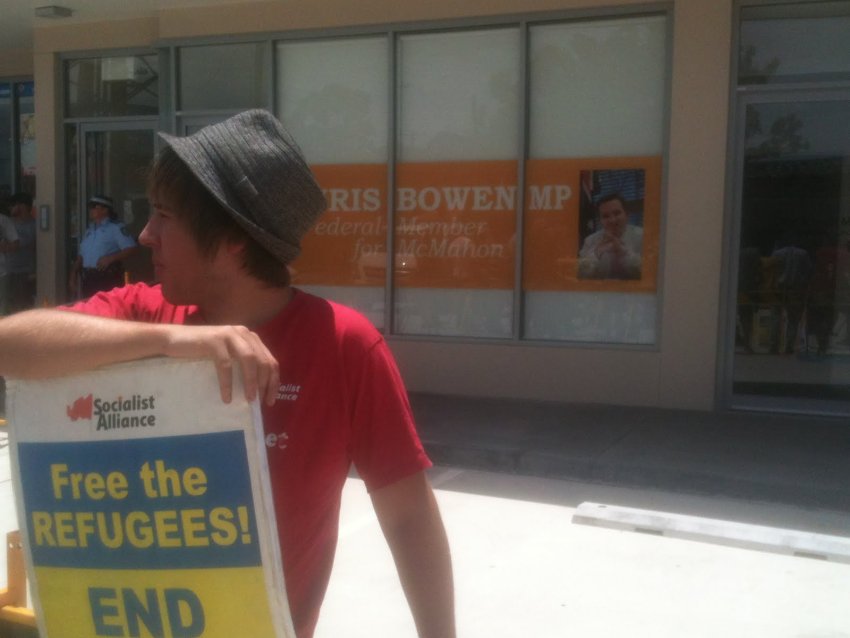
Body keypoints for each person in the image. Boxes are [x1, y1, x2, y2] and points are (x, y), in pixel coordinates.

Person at [0, 110, 455, 638]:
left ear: (235, 238)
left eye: (166, 216)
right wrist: (172, 341)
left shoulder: (343, 346)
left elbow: (408, 518)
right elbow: (10, 346)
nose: (147, 235)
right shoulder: (146, 315)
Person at [69, 194, 139, 298]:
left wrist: (110, 258)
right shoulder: (90, 231)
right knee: (89, 311)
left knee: (106, 311)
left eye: (94, 207)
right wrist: (73, 273)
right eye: (90, 207)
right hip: (88, 278)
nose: (91, 210)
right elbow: (81, 255)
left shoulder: (115, 228)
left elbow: (131, 248)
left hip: (106, 277)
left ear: (105, 210)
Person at [578, 193, 643, 280]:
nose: (612, 220)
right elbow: (581, 276)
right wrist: (596, 252)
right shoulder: (590, 241)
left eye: (617, 213)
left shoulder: (642, 236)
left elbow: (647, 274)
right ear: (600, 221)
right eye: (605, 216)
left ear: (627, 215)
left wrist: (624, 253)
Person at [8, 192, 37, 313]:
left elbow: (21, 244)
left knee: (22, 308)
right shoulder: (7, 223)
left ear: (23, 206)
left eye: (13, 205)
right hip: (6, 271)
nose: (10, 208)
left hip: (24, 273)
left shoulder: (34, 225)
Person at [0, 203, 20, 315]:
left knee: (3, 307)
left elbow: (16, 244)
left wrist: (4, 247)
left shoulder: (3, 220)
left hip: (1, 273)